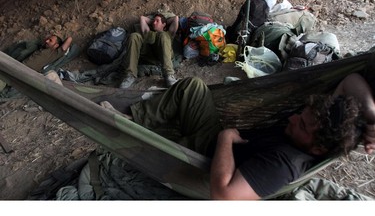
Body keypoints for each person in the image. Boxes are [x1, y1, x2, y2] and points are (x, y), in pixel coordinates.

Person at [100, 72, 375, 200]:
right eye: (300, 116)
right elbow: (351, 79)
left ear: (317, 149)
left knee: (151, 146)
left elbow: (224, 195)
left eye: (301, 125)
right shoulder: (328, 129)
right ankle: (132, 119)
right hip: (214, 137)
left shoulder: (282, 165)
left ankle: (128, 128)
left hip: (204, 159)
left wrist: (226, 138)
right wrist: (373, 118)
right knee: (192, 87)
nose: (292, 119)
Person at [118, 13, 179, 89]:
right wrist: (153, 21)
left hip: (162, 55)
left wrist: (164, 20)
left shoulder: (168, 33)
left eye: (157, 21)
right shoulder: (148, 31)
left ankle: (169, 75)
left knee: (162, 35)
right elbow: (142, 18)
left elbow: (175, 18)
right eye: (153, 21)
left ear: (164, 24)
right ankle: (130, 75)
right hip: (149, 55)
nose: (154, 22)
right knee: (134, 36)